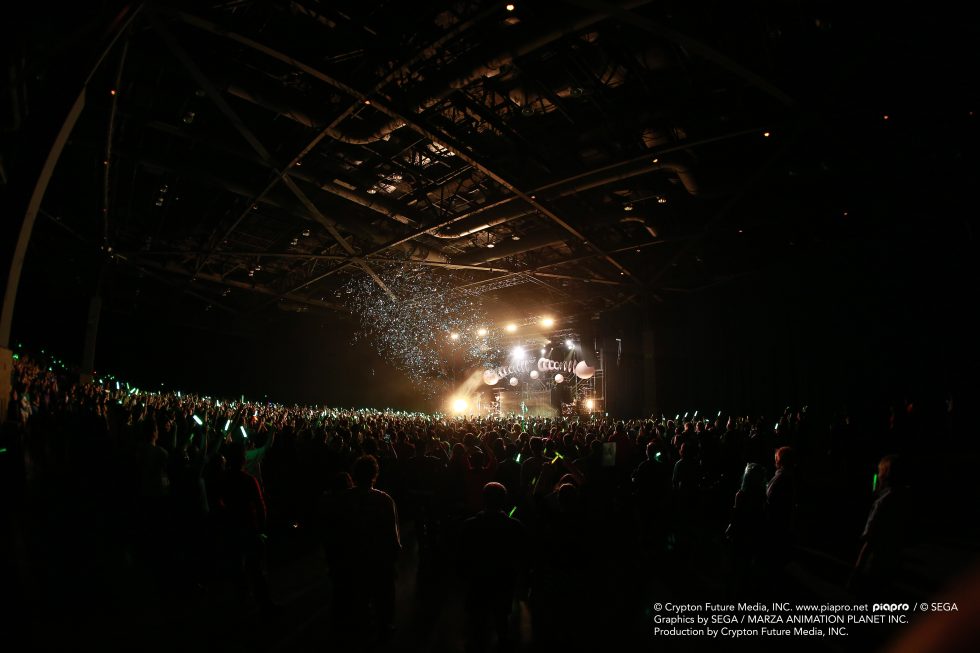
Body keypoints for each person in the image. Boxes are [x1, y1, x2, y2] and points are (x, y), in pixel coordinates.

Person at [333, 454, 401, 641]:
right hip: (378, 560)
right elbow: (392, 536)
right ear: (375, 475)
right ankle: (384, 629)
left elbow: (337, 532)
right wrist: (393, 561)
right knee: (383, 599)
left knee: (358, 601)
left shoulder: (343, 499)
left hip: (353, 560)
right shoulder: (384, 500)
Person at [458, 482, 528, 652]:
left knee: (477, 619)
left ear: (484, 499)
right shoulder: (515, 526)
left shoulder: (469, 524)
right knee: (501, 615)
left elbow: (461, 554)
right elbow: (522, 556)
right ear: (504, 501)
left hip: (478, 578)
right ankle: (502, 641)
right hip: (504, 579)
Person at [851, 454, 910, 599]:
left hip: (874, 563)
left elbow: (869, 539)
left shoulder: (882, 503)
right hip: (893, 560)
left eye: (879, 472)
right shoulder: (904, 498)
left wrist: (857, 569)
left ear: (885, 476)